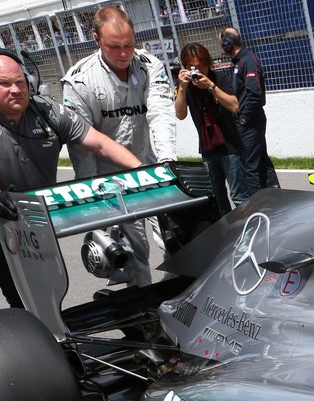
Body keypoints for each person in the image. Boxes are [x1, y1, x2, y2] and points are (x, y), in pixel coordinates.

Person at [0, 49, 141, 308]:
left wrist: (144, 169)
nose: (15, 90)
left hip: (36, 214)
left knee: (50, 281)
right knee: (20, 293)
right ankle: (36, 336)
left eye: (20, 82)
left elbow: (100, 144)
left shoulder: (48, 110)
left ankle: (57, 334)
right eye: (4, 84)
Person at [61, 6, 177, 288]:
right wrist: (91, 196)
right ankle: (140, 313)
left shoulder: (151, 66)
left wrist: (167, 163)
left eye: (129, 45)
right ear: (96, 40)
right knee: (133, 254)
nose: (124, 53)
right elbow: (81, 143)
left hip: (150, 166)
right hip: (110, 180)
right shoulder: (79, 81)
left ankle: (177, 295)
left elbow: (161, 113)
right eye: (114, 47)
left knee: (175, 240)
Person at [174, 41, 245, 215]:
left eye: (201, 67)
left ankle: (250, 232)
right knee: (217, 199)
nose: (197, 72)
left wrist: (211, 87)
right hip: (208, 150)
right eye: (192, 68)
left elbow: (235, 105)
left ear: (208, 64)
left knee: (240, 197)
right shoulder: (186, 87)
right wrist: (182, 87)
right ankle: (228, 235)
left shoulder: (220, 79)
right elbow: (180, 114)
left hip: (230, 148)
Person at [220, 27, 279, 198]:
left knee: (250, 165)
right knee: (260, 159)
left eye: (222, 43)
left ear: (227, 43)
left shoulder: (248, 60)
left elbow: (254, 94)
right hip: (250, 119)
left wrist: (244, 118)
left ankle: (258, 204)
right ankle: (275, 196)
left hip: (251, 120)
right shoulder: (240, 61)